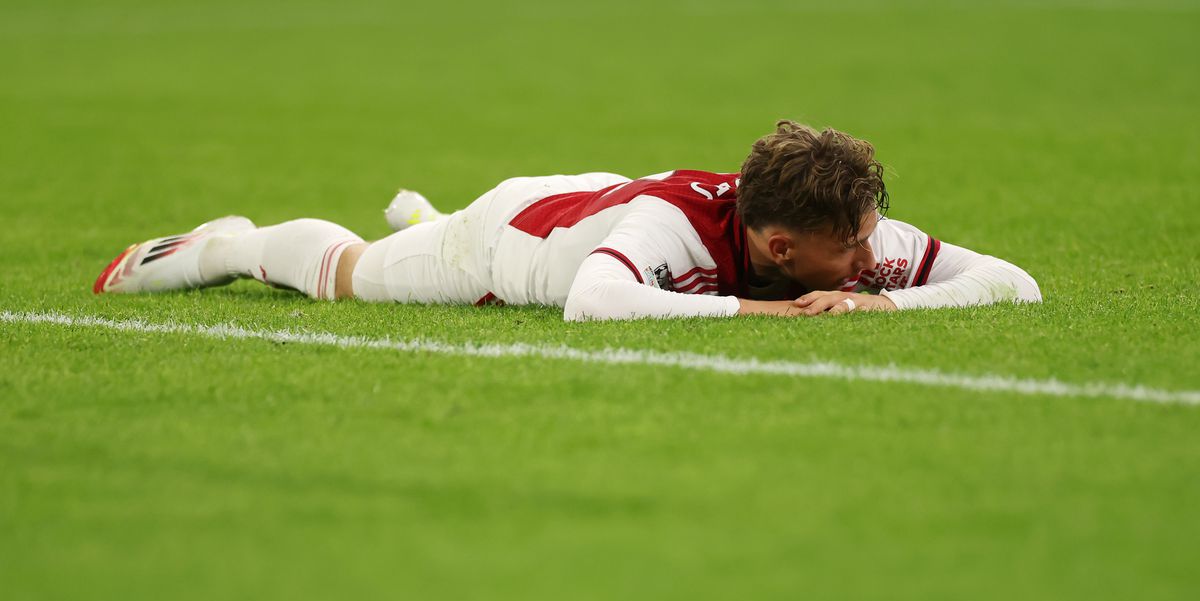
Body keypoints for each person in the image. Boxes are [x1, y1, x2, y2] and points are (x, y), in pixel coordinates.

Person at [92, 121, 1041, 320]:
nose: (874, 255)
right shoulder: (676, 233)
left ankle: (421, 217)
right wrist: (772, 314)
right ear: (782, 248)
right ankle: (224, 246)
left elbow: (1015, 284)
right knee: (349, 274)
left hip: (597, 204)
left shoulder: (839, 232)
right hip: (508, 240)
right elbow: (593, 301)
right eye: (855, 250)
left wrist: (883, 303)